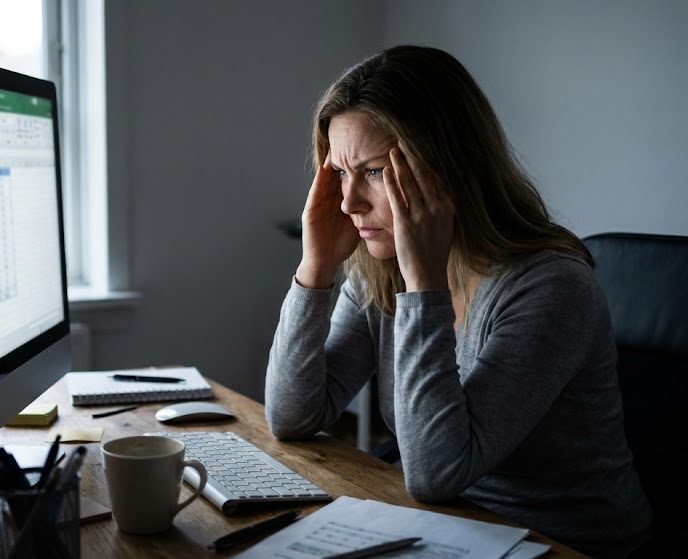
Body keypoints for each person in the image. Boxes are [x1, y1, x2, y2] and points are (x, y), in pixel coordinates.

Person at [264, 45, 652, 558]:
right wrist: (315, 270)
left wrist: (424, 285)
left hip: (562, 541)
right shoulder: (380, 270)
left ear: (446, 167)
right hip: (445, 525)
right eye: (339, 173)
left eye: (374, 171)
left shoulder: (552, 288)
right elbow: (292, 417)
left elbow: (438, 472)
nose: (349, 202)